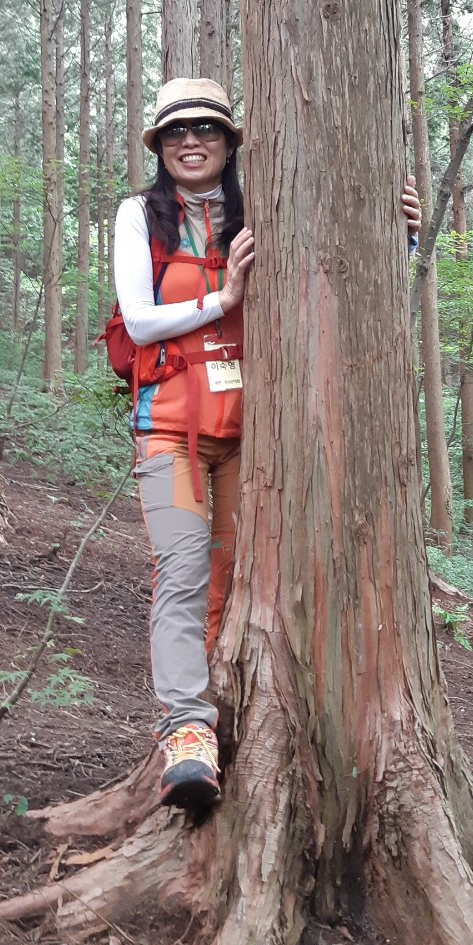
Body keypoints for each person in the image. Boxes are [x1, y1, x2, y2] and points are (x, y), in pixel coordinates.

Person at [114, 77, 422, 810]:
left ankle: (232, 717)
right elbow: (139, 319)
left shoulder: (263, 211)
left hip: (258, 440)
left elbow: (335, 287)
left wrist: (399, 238)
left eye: (207, 129)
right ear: (160, 145)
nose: (192, 141)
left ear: (230, 143)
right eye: (177, 131)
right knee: (183, 570)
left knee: (235, 582)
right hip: (170, 435)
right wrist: (223, 300)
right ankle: (186, 731)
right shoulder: (140, 215)